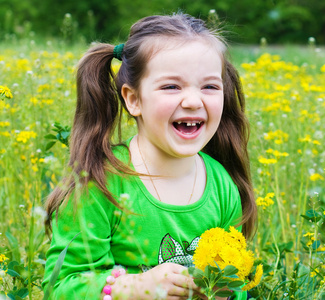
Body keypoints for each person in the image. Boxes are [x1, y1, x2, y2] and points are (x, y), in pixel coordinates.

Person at [42, 13, 257, 299]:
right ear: (133, 99)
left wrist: (224, 291)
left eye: (209, 86)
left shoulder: (222, 185)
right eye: (171, 86)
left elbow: (237, 285)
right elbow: (60, 287)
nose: (193, 101)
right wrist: (130, 288)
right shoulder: (101, 183)